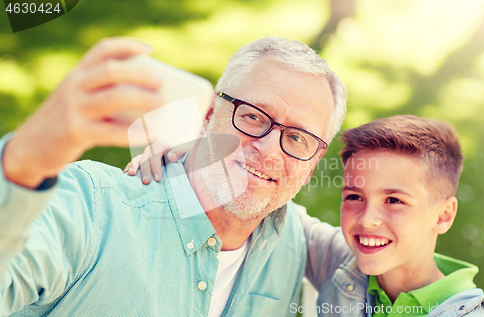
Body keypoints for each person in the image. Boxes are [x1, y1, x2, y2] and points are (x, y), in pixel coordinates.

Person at [0, 36, 348, 316]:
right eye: (254, 117)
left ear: (310, 169)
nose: (270, 149)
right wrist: (27, 160)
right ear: (209, 114)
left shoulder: (293, 240)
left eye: (297, 138)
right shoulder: (93, 209)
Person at [131, 115, 484, 317]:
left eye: (394, 201)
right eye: (354, 196)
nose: (367, 219)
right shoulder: (346, 265)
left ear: (444, 215)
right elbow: (262, 199)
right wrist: (208, 158)